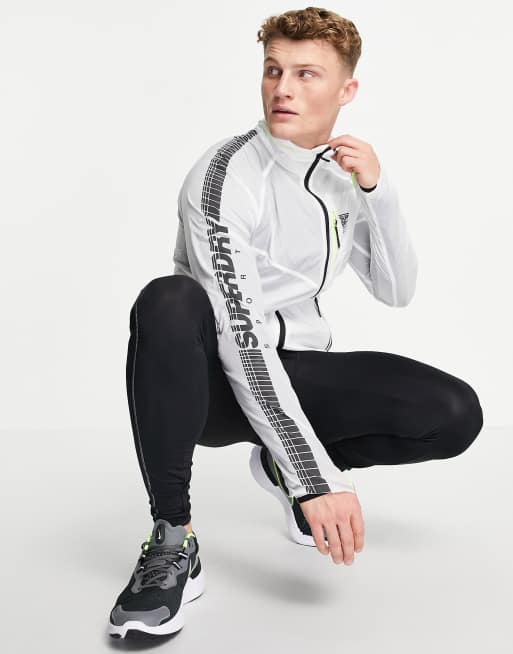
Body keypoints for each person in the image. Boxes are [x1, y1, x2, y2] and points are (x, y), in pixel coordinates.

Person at [107, 6, 484, 640]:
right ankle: (173, 539)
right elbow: (241, 336)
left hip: (295, 370)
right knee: (168, 300)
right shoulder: (226, 175)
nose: (283, 88)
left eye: (307, 74)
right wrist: (317, 480)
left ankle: (281, 466)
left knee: (453, 413)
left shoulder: (339, 176)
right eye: (273, 70)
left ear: (346, 90)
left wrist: (377, 192)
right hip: (208, 387)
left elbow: (395, 290)